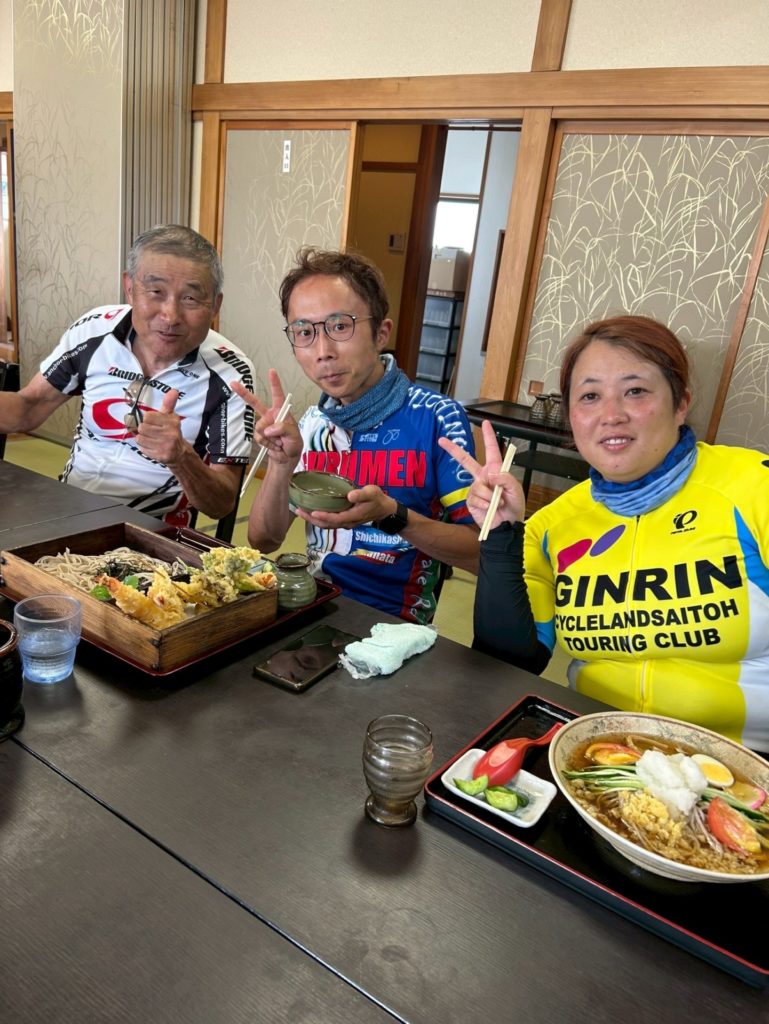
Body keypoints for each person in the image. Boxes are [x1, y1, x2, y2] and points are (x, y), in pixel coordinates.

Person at [439, 315, 769, 751]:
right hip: (598, 755)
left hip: (742, 763)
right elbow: (509, 661)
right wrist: (501, 535)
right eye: (590, 396)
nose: (611, 415)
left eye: (635, 391)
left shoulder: (754, 488)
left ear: (681, 403)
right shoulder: (553, 525)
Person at [231, 247, 478, 624]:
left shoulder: (437, 418)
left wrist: (393, 515)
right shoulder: (312, 424)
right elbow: (264, 540)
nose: (323, 352)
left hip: (394, 624)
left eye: (340, 326)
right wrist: (282, 463)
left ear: (381, 334)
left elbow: (481, 555)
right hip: (311, 605)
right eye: (305, 332)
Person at [0, 224, 254, 525]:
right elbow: (28, 407)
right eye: (156, 292)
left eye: (190, 298)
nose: (170, 316)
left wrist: (181, 458)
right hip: (67, 509)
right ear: (130, 288)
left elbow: (222, 504)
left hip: (151, 531)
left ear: (215, 305)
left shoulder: (230, 374)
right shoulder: (94, 330)